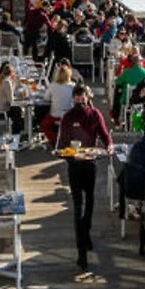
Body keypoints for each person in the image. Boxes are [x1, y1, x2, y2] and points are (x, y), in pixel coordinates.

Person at [55, 83, 113, 271]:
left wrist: (109, 145)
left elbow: (104, 135)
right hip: (74, 165)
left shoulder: (94, 114)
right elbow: (63, 144)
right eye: (77, 98)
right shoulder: (68, 117)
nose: (80, 101)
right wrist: (70, 155)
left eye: (83, 98)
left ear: (87, 98)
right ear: (73, 99)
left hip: (90, 164)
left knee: (90, 202)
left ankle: (86, 233)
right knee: (78, 207)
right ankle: (81, 251)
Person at [39, 60, 75, 147]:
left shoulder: (53, 85)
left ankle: (55, 140)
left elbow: (46, 98)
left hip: (55, 115)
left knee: (44, 125)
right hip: (69, 114)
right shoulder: (73, 86)